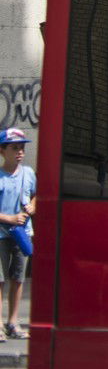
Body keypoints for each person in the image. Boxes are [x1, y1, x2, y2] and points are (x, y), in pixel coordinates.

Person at [0, 127, 35, 340]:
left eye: (22, 148)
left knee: (18, 278)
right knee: (1, 279)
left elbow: (37, 196)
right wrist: (10, 218)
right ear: (3, 151)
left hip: (23, 233)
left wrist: (33, 206)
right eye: (15, 148)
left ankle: (13, 322)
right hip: (2, 234)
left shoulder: (29, 173)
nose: (20, 152)